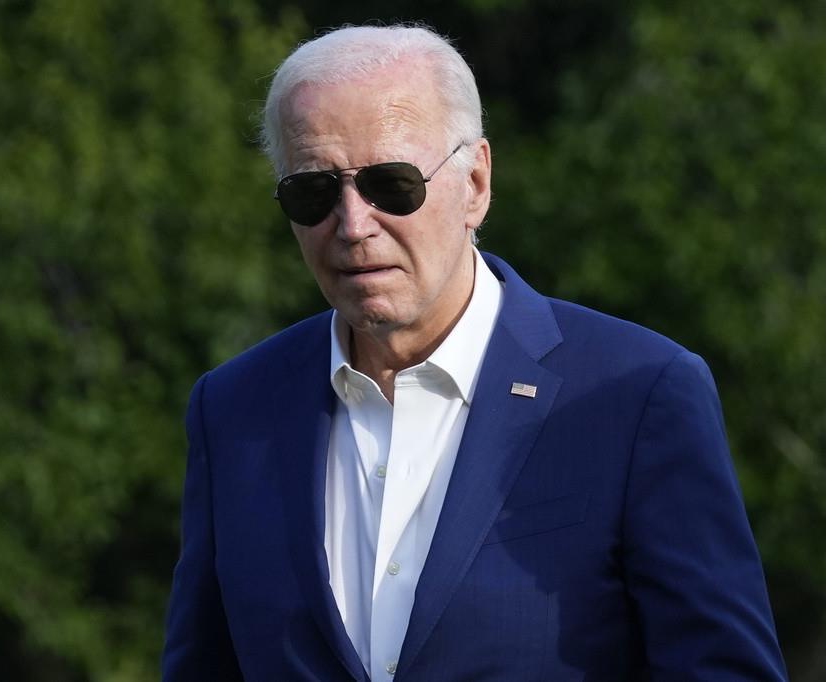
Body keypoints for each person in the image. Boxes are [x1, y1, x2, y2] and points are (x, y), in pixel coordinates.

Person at [162, 24, 787, 681]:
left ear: (476, 183)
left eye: (392, 183)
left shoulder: (639, 395)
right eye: (313, 192)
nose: (352, 224)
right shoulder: (234, 410)